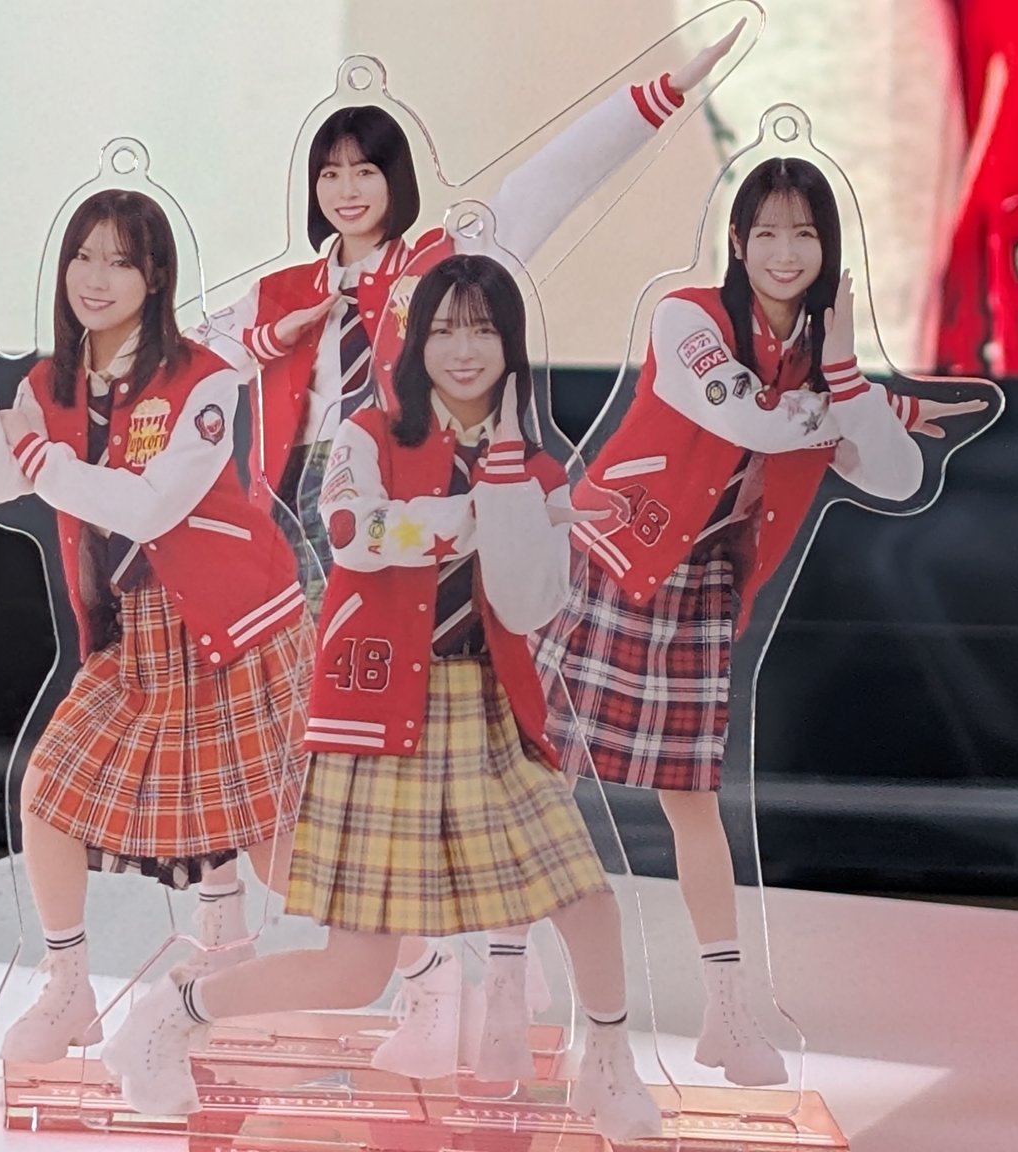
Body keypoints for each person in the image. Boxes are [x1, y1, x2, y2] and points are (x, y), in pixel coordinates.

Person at [176, 19, 746, 1064]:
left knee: (466, 747)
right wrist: (258, 340)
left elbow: (550, 179)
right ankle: (402, 972)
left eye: (366, 170)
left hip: (445, 520)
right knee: (308, 762)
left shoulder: (448, 263)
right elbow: (172, 361)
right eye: (330, 173)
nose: (348, 190)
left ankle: (488, 979)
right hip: (314, 523)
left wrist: (662, 92)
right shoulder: (284, 293)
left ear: (397, 178)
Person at [100, 254, 664, 1143]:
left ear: (512, 344)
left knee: (585, 899)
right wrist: (481, 515)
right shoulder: (369, 434)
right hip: (378, 716)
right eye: (444, 330)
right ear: (415, 343)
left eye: (484, 330)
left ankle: (608, 1065)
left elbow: (528, 605)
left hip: (489, 714)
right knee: (355, 970)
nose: (464, 350)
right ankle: (174, 1014)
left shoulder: (536, 468)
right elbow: (353, 534)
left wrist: (514, 489)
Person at [540, 157, 983, 1085]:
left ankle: (728, 1011)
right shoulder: (689, 318)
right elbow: (752, 420)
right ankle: (506, 980)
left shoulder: (824, 367)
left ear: (829, 249)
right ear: (737, 241)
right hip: (611, 557)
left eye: (805, 234)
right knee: (537, 776)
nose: (785, 252)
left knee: (691, 803)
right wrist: (858, 403)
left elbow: (898, 476)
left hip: (703, 586)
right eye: (768, 232)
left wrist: (850, 379)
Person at [0, 189, 313, 1065]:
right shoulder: (51, 383)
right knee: (49, 791)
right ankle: (69, 986)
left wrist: (36, 453)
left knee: (273, 837)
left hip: (231, 621)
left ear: (156, 276)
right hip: (135, 634)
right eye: (84, 256)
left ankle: (424, 965)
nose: (96, 277)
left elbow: (149, 506)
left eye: (121, 260)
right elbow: (0, 480)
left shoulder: (204, 377)